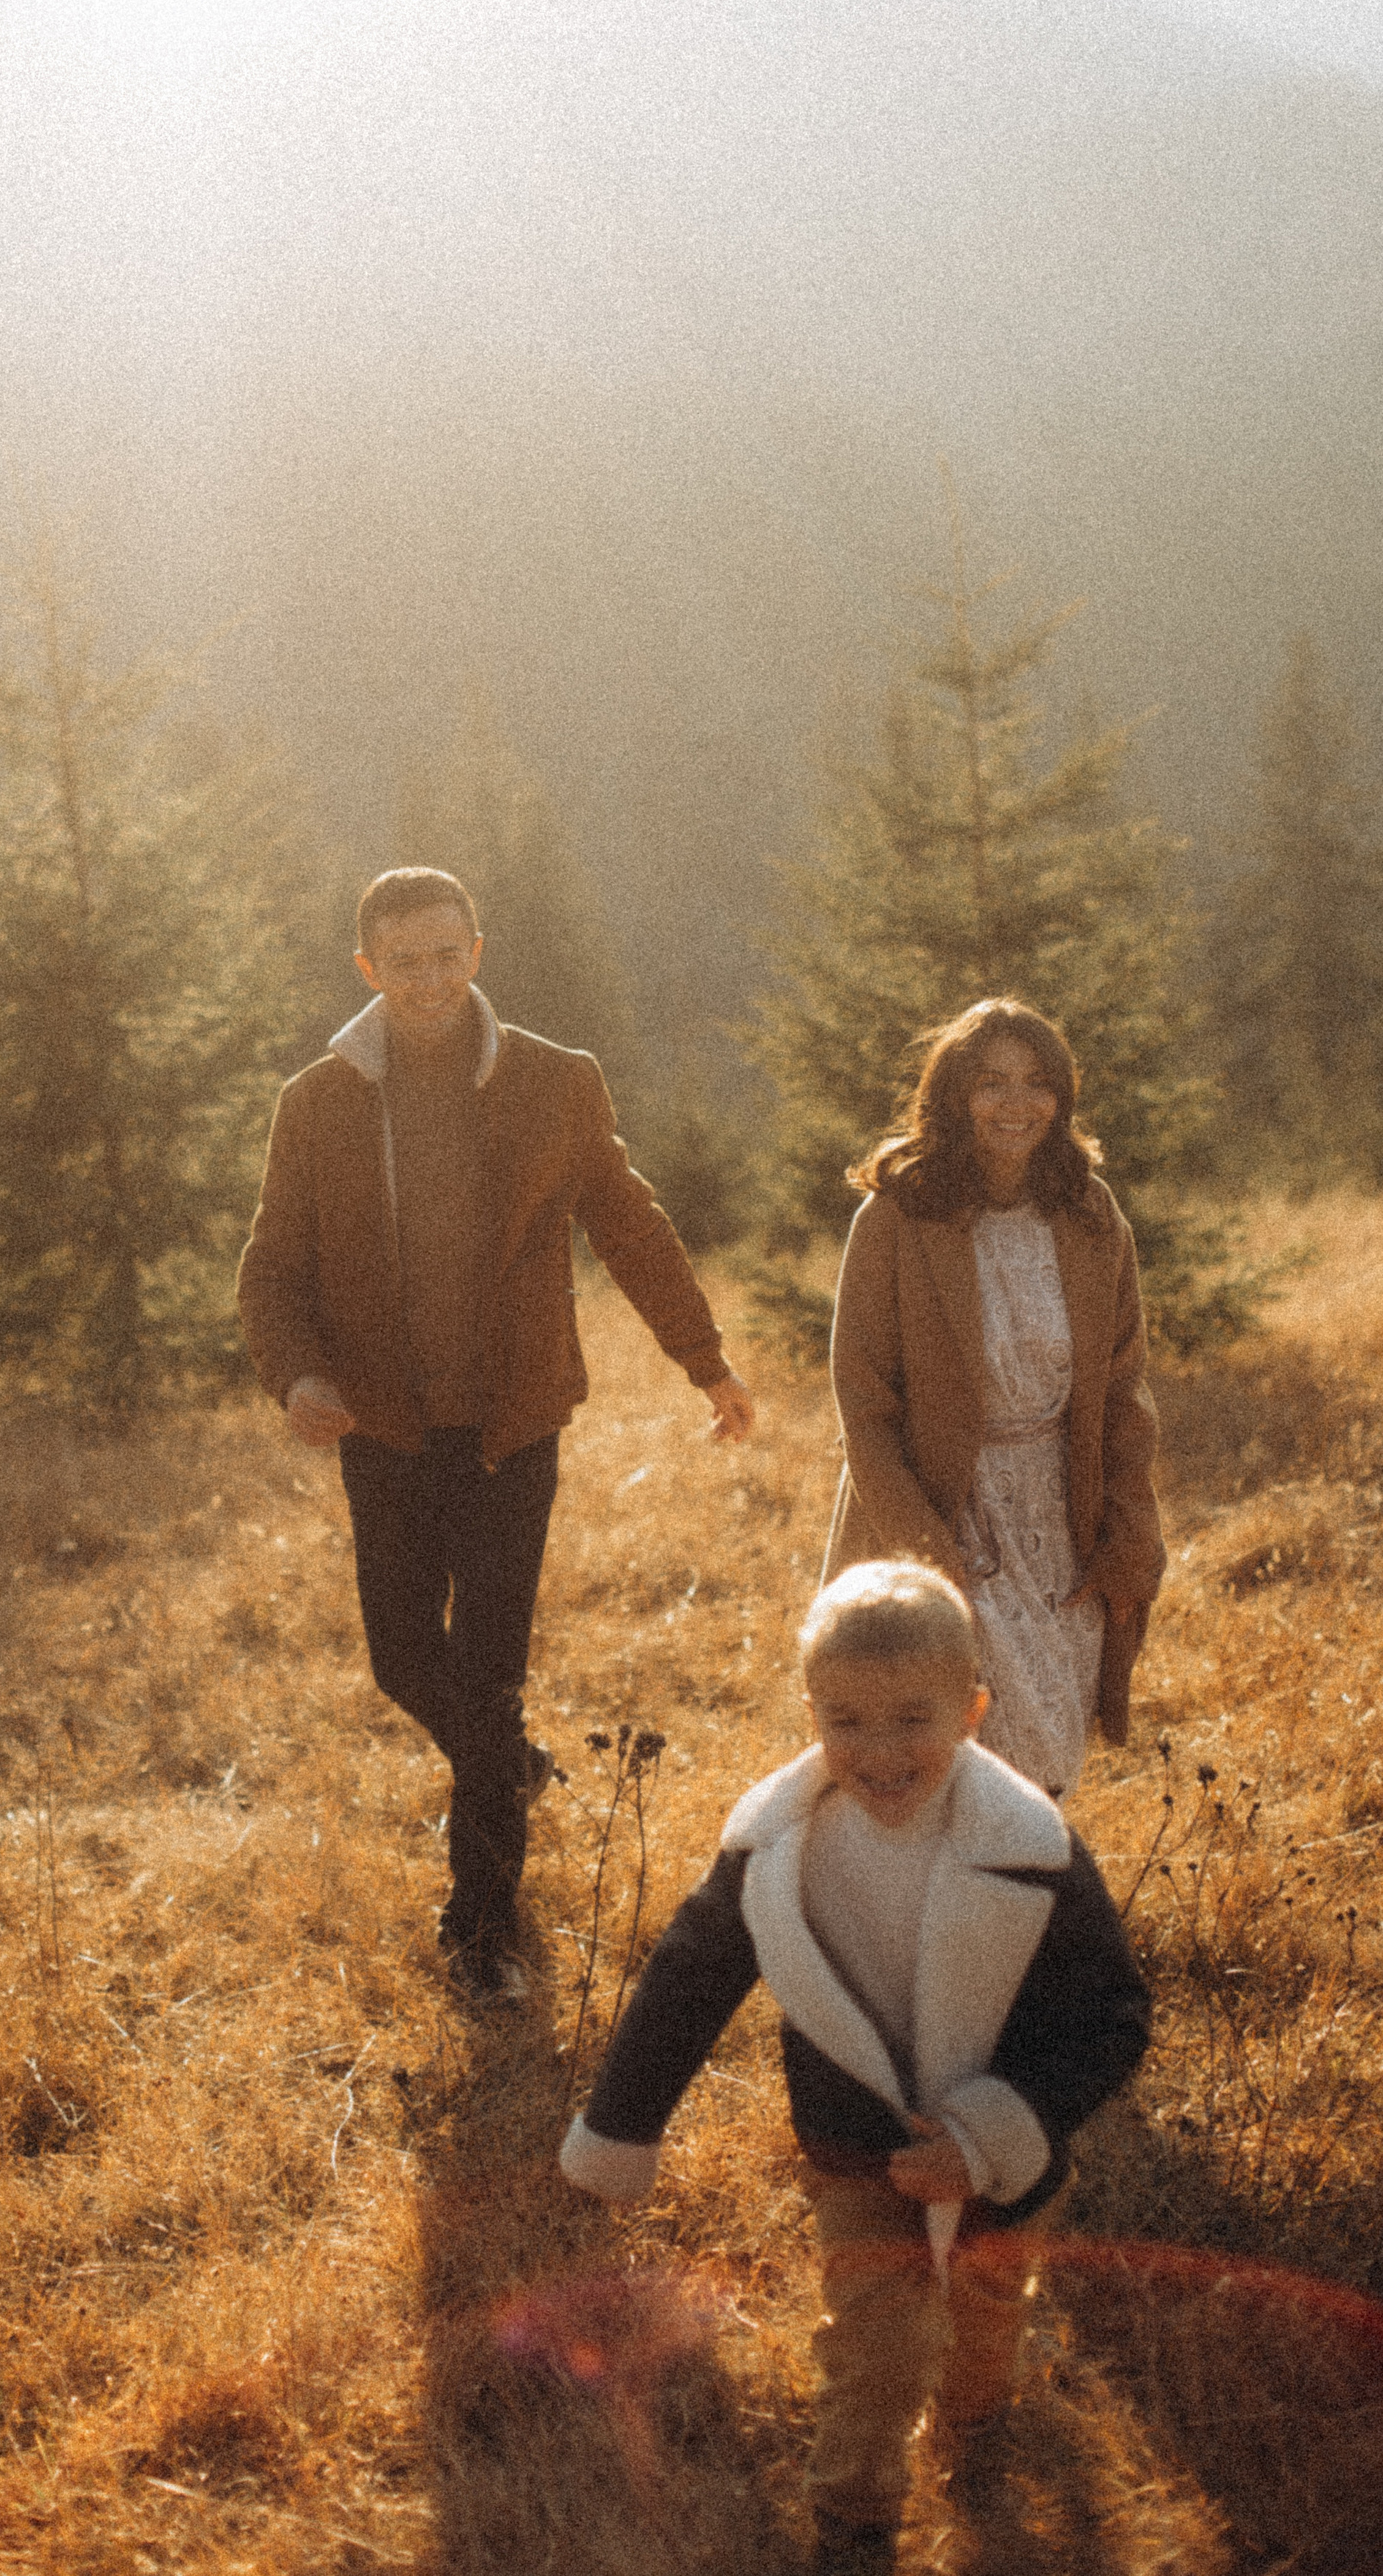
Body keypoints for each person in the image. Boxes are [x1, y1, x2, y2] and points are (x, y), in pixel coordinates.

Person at [561, 1560, 1150, 2573]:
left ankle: (975, 2423)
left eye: (912, 1719)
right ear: (811, 1713)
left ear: (972, 1710)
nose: (878, 1753)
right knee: (879, 2341)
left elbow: (1110, 2016)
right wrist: (621, 2128)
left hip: (1003, 2154)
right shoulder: (780, 1847)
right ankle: (855, 2522)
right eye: (848, 1721)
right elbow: (689, 1979)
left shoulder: (1031, 1849)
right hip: (856, 2142)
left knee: (983, 2308)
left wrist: (991, 2135)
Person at [237, 866, 754, 1996]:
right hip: (386, 1432)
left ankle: (480, 1934)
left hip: (514, 1430)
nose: (429, 978)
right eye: (404, 961)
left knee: (491, 1669)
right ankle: (505, 1765)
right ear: (369, 972)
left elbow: (630, 1222)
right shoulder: (318, 1102)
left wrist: (704, 1361)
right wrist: (296, 1379)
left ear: (479, 949)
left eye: (447, 953)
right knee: (402, 1657)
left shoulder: (555, 1084)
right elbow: (273, 1270)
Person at [824, 998, 1165, 1796]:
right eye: (991, 1083)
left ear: (1062, 1097)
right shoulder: (896, 1217)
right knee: (940, 1755)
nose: (1017, 1105)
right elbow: (864, 1412)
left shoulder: (1090, 1215)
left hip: (1059, 1518)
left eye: (1037, 1083)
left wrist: (1129, 1537)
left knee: (1044, 1760)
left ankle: (1024, 1913)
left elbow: (1123, 1395)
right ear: (953, 1095)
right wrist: (927, 1559)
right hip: (940, 1516)